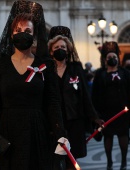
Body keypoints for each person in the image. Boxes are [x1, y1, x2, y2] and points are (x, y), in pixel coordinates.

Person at [0, 1, 68, 170]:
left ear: (34, 36)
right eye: (18, 30)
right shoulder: (1, 64)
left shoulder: (45, 65)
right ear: (11, 34)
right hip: (8, 130)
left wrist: (59, 131)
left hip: (37, 130)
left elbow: (52, 102)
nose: (22, 34)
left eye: (27, 31)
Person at [48, 26, 104, 170]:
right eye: (57, 47)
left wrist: (94, 117)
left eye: (63, 47)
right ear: (51, 50)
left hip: (74, 121)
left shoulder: (76, 69)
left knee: (72, 161)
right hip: (52, 123)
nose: (60, 49)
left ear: (68, 50)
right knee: (53, 159)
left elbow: (85, 95)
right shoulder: (46, 70)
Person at [92, 41, 130, 170]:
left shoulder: (125, 73)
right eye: (109, 58)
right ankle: (109, 163)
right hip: (106, 113)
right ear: (105, 59)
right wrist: (96, 113)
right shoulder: (100, 74)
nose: (112, 59)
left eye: (114, 57)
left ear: (118, 58)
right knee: (107, 137)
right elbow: (95, 94)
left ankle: (124, 162)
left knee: (123, 137)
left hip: (122, 113)